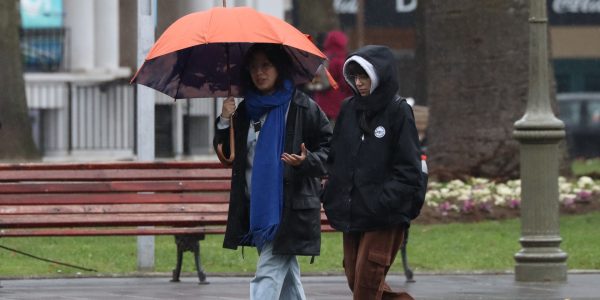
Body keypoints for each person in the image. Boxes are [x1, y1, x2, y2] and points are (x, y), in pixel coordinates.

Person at [213, 43, 332, 300]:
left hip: (289, 209)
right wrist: (225, 120)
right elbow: (227, 155)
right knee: (286, 277)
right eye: (254, 67)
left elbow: (331, 149)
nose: (259, 72)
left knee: (268, 272)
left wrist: (306, 160)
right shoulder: (243, 111)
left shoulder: (302, 106)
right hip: (256, 206)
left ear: (279, 68)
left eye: (266, 65)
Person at [322, 45, 422, 300]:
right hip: (352, 211)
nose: (359, 83)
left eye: (364, 76)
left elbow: (409, 169)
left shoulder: (398, 111)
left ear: (380, 76)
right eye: (355, 77)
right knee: (356, 278)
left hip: (384, 215)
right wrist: (332, 190)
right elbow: (337, 155)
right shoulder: (349, 109)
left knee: (367, 283)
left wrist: (383, 202)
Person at [314, 30, 353, 123]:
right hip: (337, 105)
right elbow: (346, 84)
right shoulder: (341, 61)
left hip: (321, 103)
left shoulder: (324, 57)